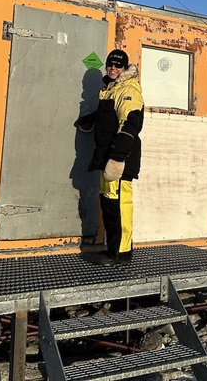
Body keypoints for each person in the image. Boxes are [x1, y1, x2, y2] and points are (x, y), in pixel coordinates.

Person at [76, 49, 144, 265]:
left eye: (118, 65)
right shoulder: (110, 90)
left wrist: (118, 158)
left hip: (120, 157)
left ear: (125, 68)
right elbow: (109, 115)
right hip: (107, 154)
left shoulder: (128, 90)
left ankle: (121, 253)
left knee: (120, 204)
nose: (113, 68)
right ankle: (113, 248)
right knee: (108, 202)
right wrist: (91, 119)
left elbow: (130, 124)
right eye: (110, 64)